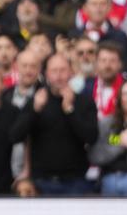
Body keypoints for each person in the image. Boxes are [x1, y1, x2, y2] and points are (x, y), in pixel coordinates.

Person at [11, 53, 99, 195]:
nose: (58, 76)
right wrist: (35, 110)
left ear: (71, 72)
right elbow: (15, 136)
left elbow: (92, 137)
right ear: (46, 74)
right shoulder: (36, 101)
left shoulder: (84, 101)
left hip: (76, 181)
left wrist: (70, 110)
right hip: (41, 181)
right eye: (54, 71)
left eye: (63, 70)